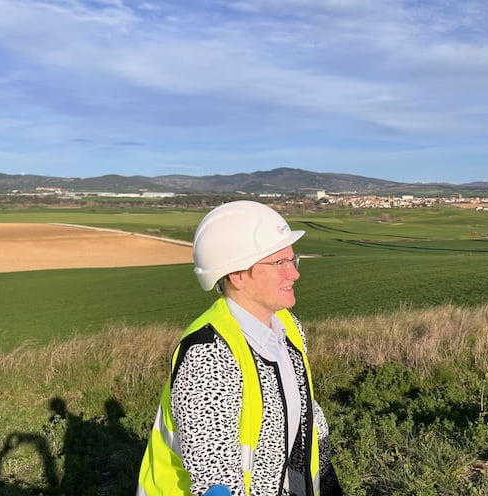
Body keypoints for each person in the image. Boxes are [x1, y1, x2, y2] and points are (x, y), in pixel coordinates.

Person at [137, 200, 342, 496]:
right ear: (237, 274)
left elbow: (306, 415)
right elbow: (215, 481)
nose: (294, 274)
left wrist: (326, 480)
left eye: (292, 260)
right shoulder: (208, 354)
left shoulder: (287, 326)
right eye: (279, 263)